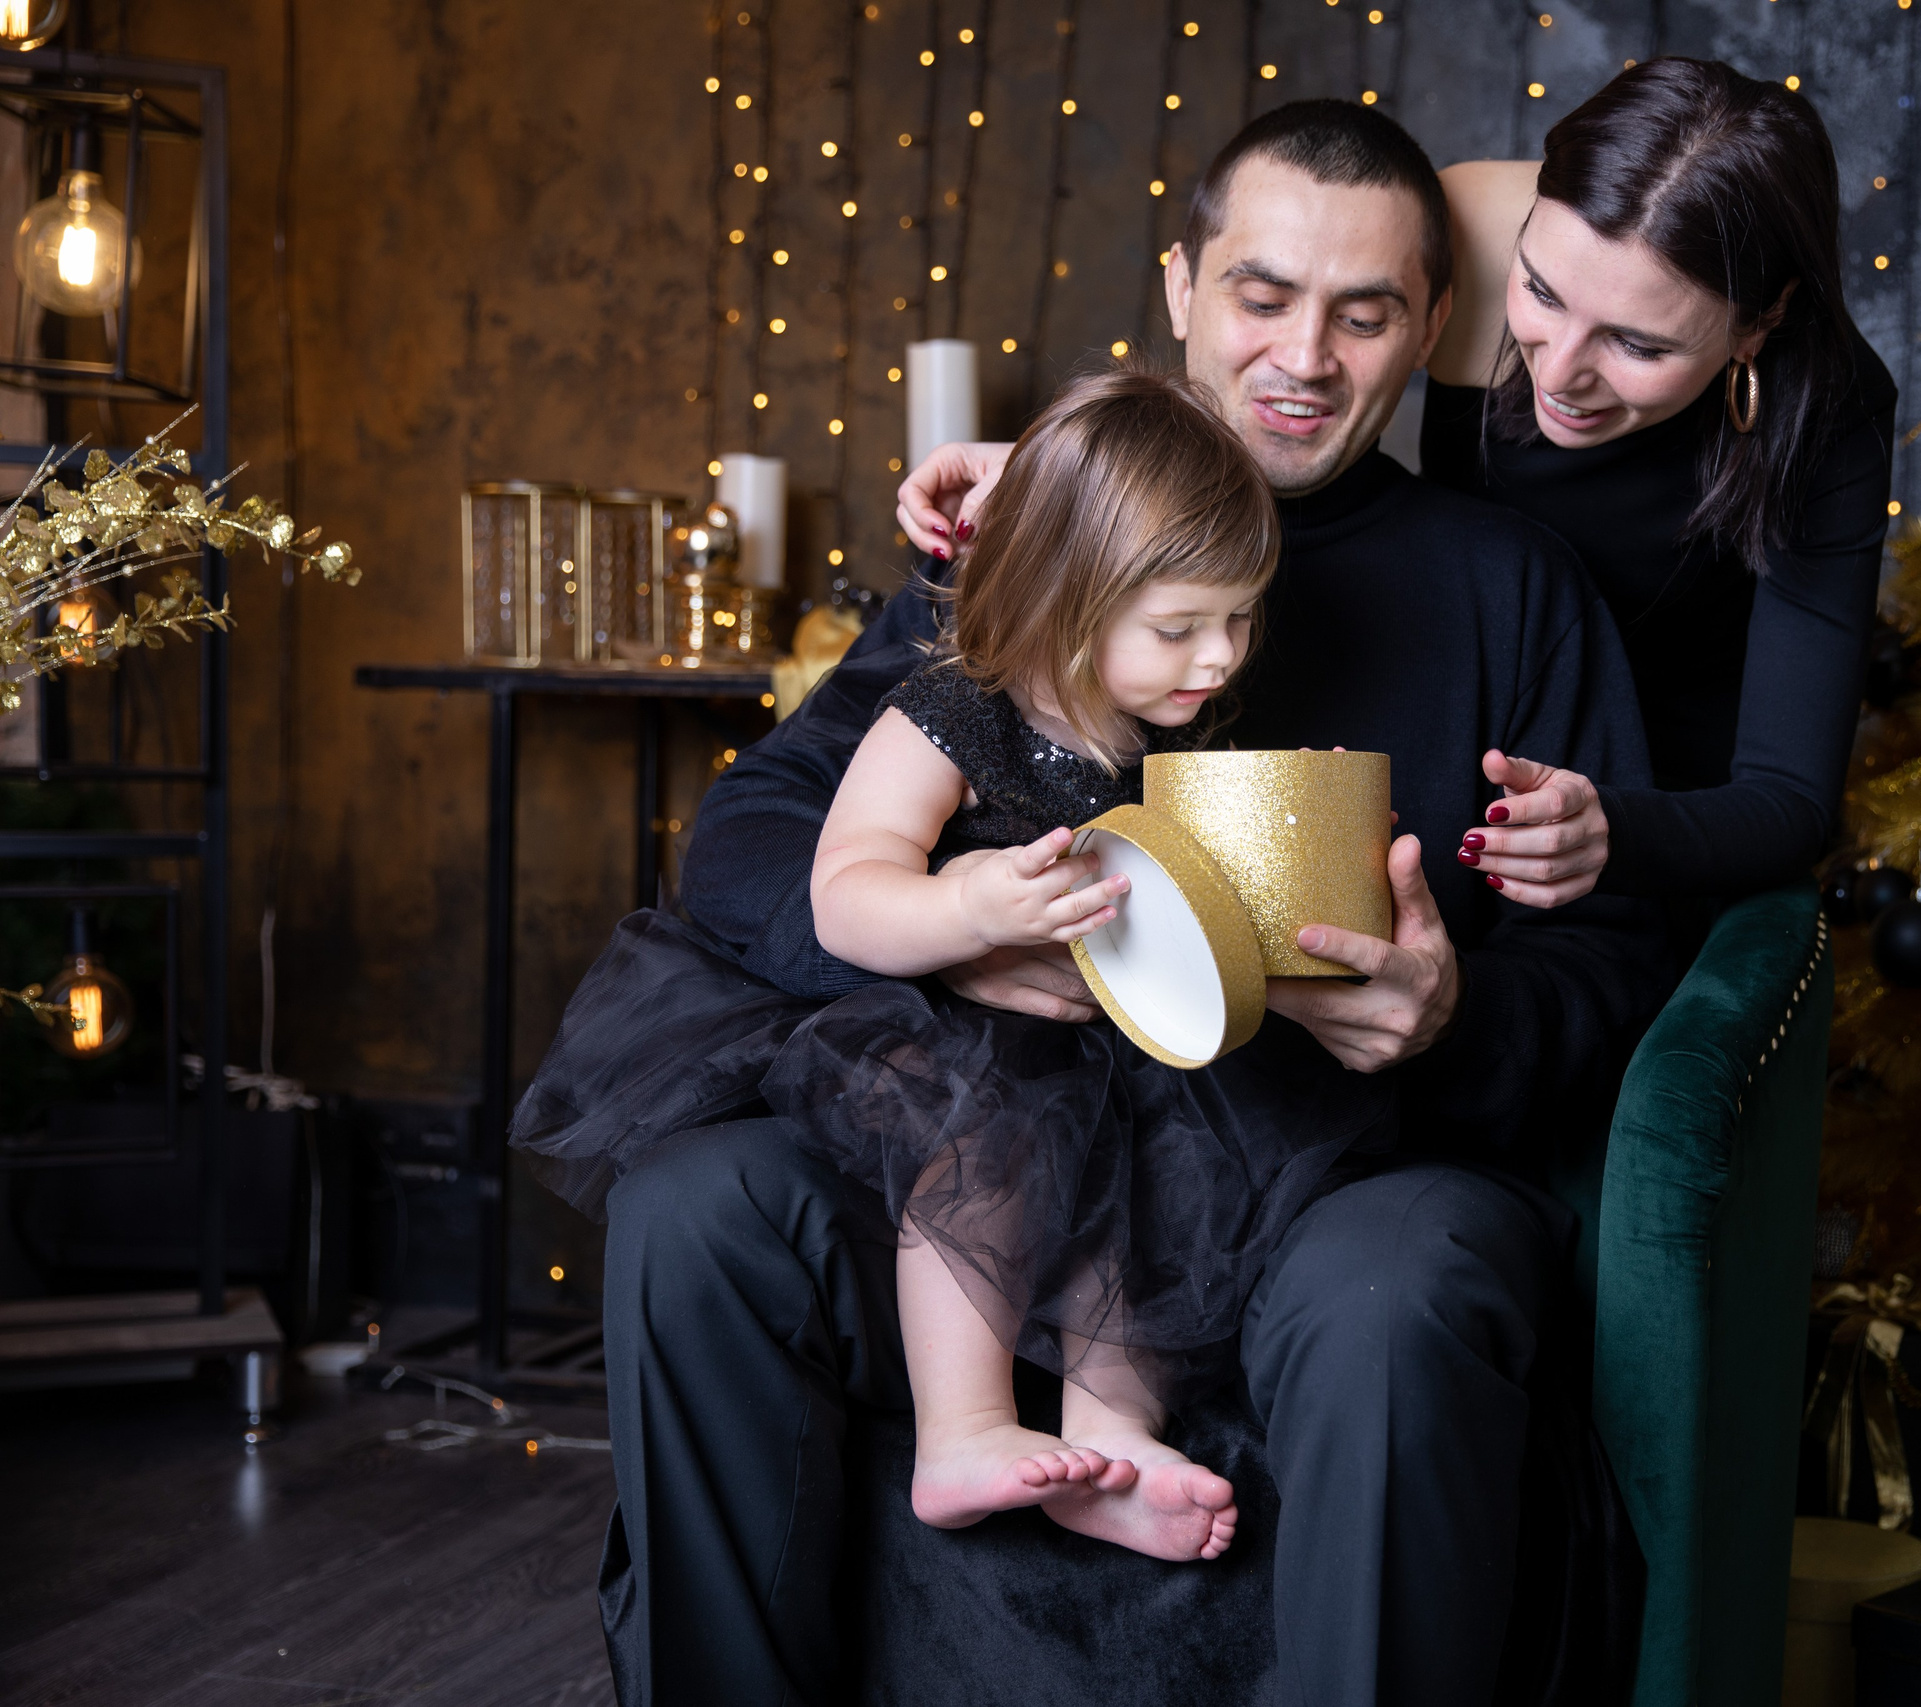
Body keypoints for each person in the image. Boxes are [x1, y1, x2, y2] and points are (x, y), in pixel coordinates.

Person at [518, 98, 1676, 1707]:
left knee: (1402, 1291)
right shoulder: (1031, 541)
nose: (1305, 356)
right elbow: (761, 834)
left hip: (1339, 1162)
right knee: (700, 1209)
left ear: (1426, 333)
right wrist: (962, 944)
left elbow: (1616, 953)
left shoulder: (1511, 584)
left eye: (1365, 313)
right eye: (1263, 296)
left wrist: (1454, 1015)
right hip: (1008, 1145)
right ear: (1183, 284)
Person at [783, 366, 1401, 1564]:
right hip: (990, 1046)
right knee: (991, 1156)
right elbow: (843, 892)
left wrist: (1300, 861)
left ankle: (1110, 1449)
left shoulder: (1183, 724)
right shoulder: (953, 714)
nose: (1218, 656)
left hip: (1143, 1054)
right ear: (1065, 598)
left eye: (1240, 615)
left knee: (1165, 1200)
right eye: (1178, 628)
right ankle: (961, 1431)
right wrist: (967, 903)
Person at [1421, 57, 1897, 922]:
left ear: (1761, 321)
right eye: (1540, 290)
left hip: (1648, 808)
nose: (1558, 372)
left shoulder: (1830, 405)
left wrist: (1613, 834)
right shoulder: (1466, 224)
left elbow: (1789, 798)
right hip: (1435, 742)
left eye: (1637, 346)